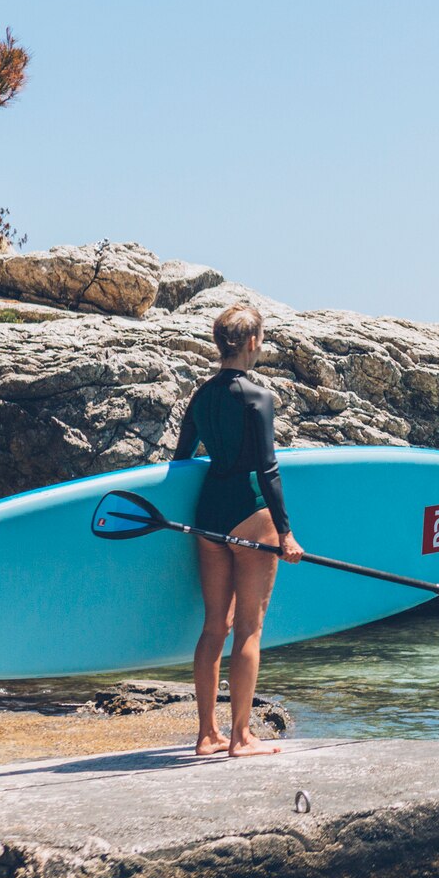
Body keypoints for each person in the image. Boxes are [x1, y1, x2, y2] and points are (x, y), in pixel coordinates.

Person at [171, 303, 303, 757]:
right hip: (251, 515)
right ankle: (242, 736)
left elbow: (183, 459)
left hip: (208, 516)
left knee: (214, 626)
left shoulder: (201, 397)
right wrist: (285, 533)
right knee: (248, 628)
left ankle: (206, 734)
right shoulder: (258, 397)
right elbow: (268, 469)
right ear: (252, 342)